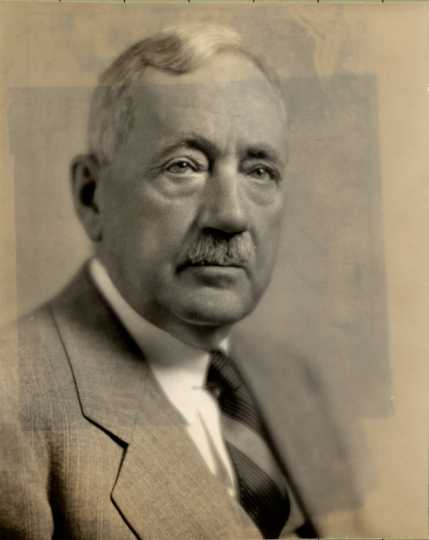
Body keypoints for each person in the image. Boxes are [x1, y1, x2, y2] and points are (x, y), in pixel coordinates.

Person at [0, 25, 362, 539]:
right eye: (185, 166)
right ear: (91, 196)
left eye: (259, 171)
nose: (231, 216)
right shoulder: (11, 410)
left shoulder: (292, 381)